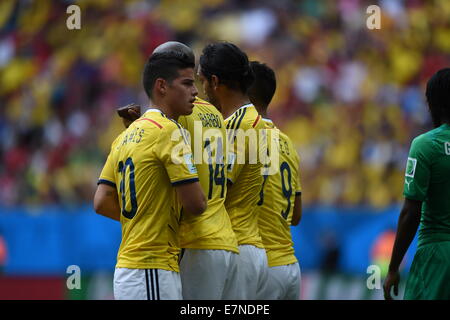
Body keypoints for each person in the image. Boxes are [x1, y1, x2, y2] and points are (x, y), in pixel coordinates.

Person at [120, 41, 240, 300]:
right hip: (226, 238)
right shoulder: (217, 116)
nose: (193, 90)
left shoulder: (171, 119)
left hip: (192, 239)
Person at [93, 49, 206, 300]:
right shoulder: (169, 132)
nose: (195, 91)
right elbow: (196, 204)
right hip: (152, 266)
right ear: (162, 86)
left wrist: (141, 219)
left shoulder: (124, 137)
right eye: (187, 83)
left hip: (129, 265)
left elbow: (101, 202)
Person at [198, 42, 268, 299]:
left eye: (201, 80)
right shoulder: (260, 124)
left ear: (214, 81)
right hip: (252, 244)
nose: (201, 89)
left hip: (236, 245)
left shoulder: (238, 125)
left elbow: (216, 190)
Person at [383, 68, 450, 300]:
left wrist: (393, 268)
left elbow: (411, 212)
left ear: (433, 105)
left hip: (437, 255)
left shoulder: (426, 145)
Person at [248, 61, 302, 300]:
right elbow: (296, 215)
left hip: (262, 267)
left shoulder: (246, 136)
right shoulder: (287, 143)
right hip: (290, 265)